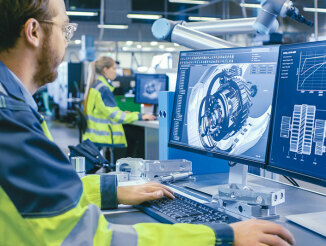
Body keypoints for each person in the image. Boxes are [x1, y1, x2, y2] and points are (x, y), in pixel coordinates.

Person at [0, 0, 295, 245]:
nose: (68, 38)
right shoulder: (11, 121)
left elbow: (39, 194)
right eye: (65, 28)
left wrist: (109, 190)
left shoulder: (11, 105)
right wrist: (221, 236)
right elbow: (91, 240)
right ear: (34, 32)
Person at [83, 56, 155, 163]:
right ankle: (128, 168)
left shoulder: (96, 85)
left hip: (95, 132)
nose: (116, 72)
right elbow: (116, 116)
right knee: (139, 134)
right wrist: (140, 116)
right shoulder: (103, 89)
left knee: (132, 132)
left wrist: (122, 113)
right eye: (114, 68)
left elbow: (107, 111)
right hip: (104, 135)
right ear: (105, 70)